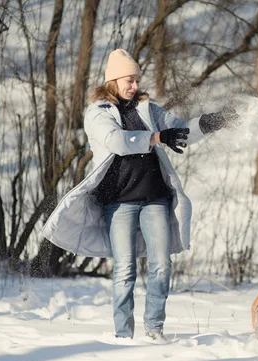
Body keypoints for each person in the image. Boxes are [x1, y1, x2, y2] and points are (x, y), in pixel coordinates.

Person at [41, 49, 238, 340]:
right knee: (125, 270)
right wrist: (157, 138)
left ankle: (154, 329)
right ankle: (123, 335)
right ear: (113, 80)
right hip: (118, 202)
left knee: (161, 265)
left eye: (136, 80)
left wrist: (208, 124)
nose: (134, 86)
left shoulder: (148, 109)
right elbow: (116, 142)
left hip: (154, 197)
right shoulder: (97, 113)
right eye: (129, 80)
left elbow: (178, 130)